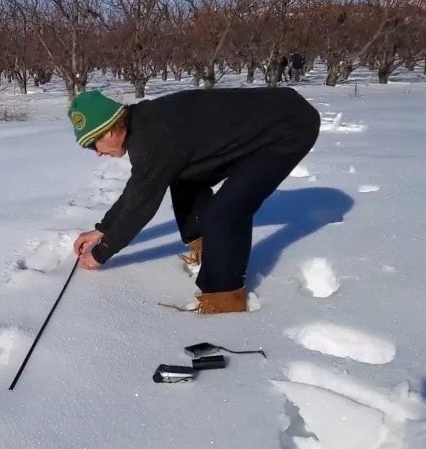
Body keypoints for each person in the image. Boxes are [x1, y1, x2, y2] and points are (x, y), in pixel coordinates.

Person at [68, 87, 320, 314]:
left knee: (225, 214)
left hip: (289, 128)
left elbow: (140, 207)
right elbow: (139, 188)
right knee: (184, 178)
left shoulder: (153, 139)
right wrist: (103, 229)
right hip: (265, 123)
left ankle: (224, 299)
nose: (98, 153)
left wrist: (102, 252)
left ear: (110, 129)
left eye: (93, 144)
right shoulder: (143, 124)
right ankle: (208, 246)